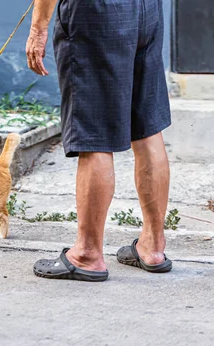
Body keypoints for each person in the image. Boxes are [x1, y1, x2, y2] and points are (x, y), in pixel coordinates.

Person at [26, 0, 173, 282]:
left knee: (94, 132)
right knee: (147, 128)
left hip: (97, 13)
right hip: (147, 10)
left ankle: (87, 254)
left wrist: (38, 27)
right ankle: (153, 247)